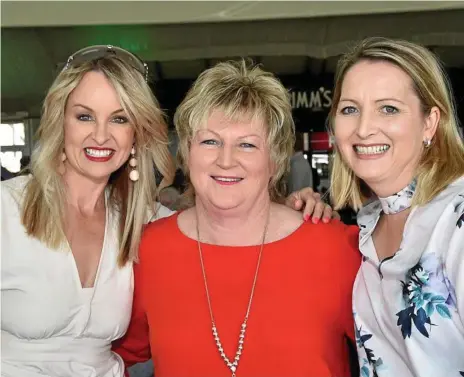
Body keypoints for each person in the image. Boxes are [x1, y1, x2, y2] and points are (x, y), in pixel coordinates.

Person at [1, 46, 332, 377]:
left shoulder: (145, 222)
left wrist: (291, 212)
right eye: (84, 116)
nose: (100, 135)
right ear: (61, 120)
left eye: (119, 118)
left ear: (136, 133)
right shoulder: (7, 208)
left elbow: (221, 226)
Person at [113, 60, 361, 377]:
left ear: (275, 161)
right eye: (210, 141)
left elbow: (402, 354)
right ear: (187, 153)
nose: (226, 160)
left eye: (246, 144)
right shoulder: (148, 250)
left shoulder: (335, 249)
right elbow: (105, 355)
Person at [329, 37, 464, 377]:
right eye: (350, 109)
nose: (363, 128)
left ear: (430, 122)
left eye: (388, 108)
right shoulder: (367, 225)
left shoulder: (456, 221)